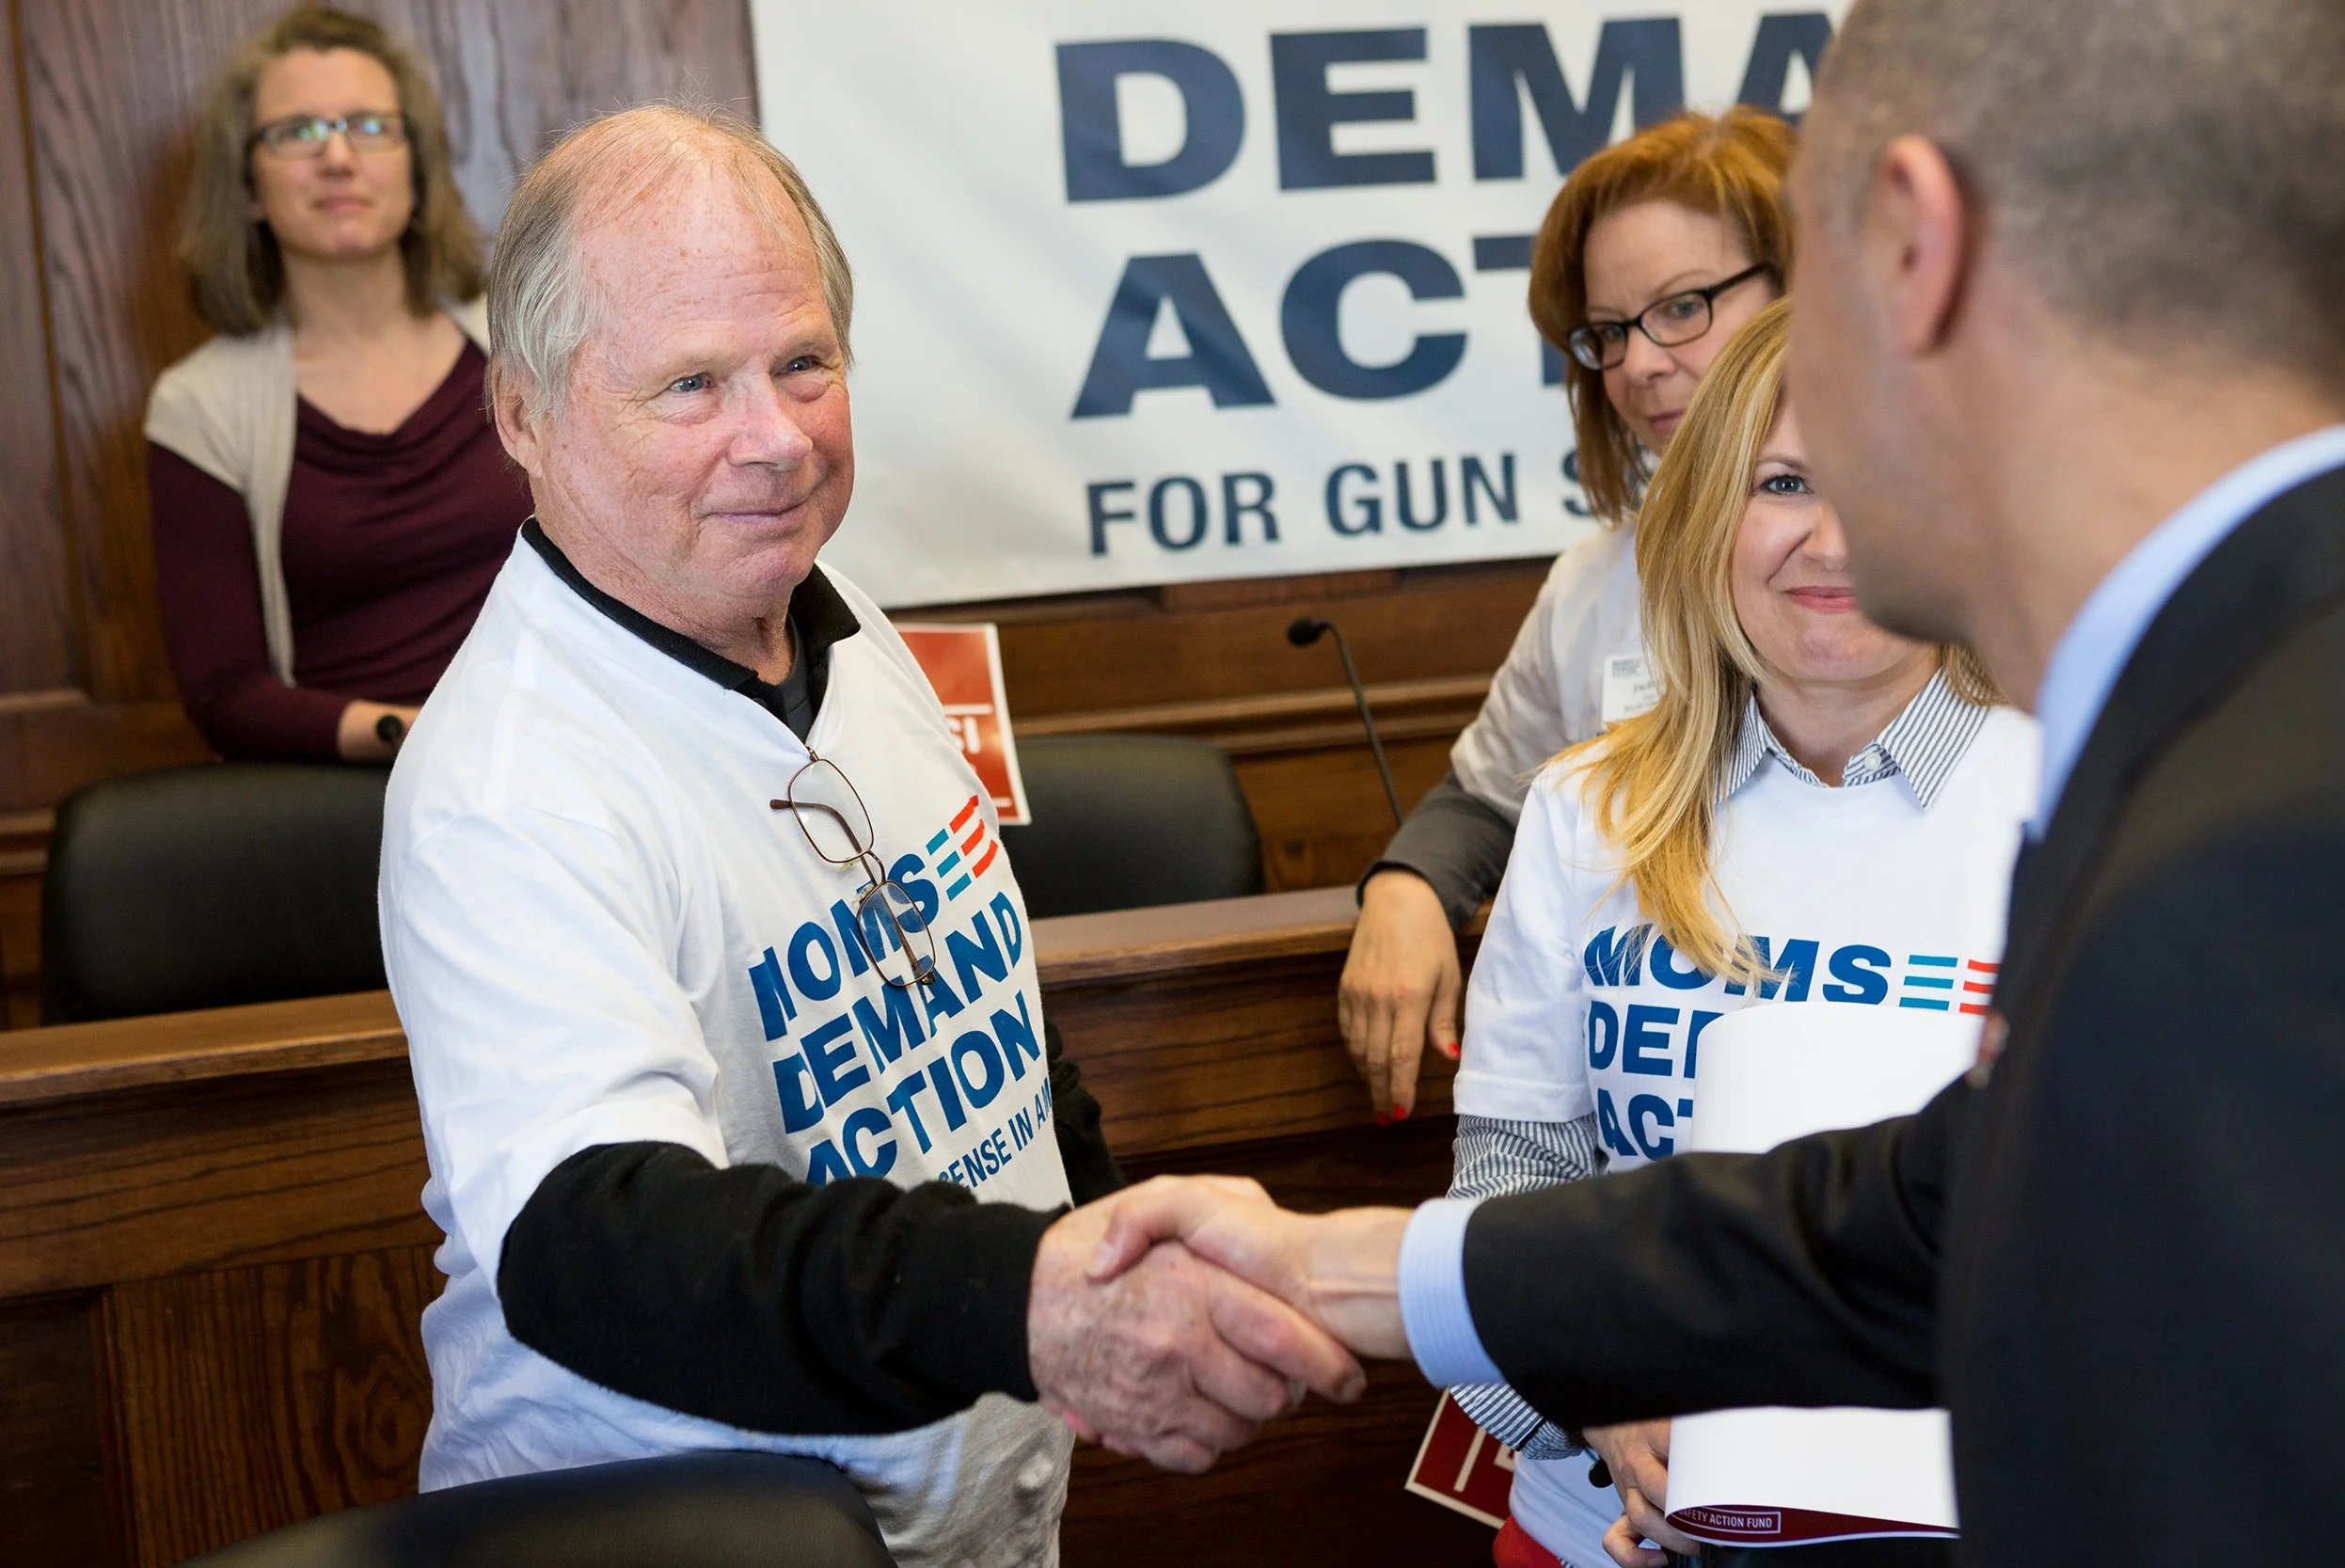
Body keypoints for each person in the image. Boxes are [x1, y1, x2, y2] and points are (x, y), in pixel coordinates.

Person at [1090, 0, 2345, 1561]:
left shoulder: (2219, 788)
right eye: (1614, 336)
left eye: (1751, 311)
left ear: (1912, 251)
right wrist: (1363, 1271)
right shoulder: (2221, 702)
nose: (1671, 373)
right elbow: (1923, 1212)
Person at [378, 105, 1363, 1568]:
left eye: (803, 362)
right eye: (691, 383)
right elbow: (600, 1239)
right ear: (525, 415)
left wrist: (1106, 1239)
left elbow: (980, 1005)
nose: (771, 439)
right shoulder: (509, 778)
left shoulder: (846, 623)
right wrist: (1027, 1299)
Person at [1446, 301, 2032, 1568]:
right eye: (1782, 483)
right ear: (1712, 507)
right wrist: (1591, 1394)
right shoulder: (1583, 809)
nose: (1833, 539)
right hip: (1618, 1530)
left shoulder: (2077, 793)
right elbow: (1505, 1184)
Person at [1341, 109, 1792, 1121]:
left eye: (1682, 307)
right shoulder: (1594, 582)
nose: (1637, 364)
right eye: (1609, 332)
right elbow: (1488, 794)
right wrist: (1407, 885)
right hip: (1637, 1101)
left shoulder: (1934, 555)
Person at [145, 5, 531, 762]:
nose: (338, 158)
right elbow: (226, 695)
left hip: (580, 758)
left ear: (416, 170)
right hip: (360, 798)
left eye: (368, 125)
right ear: (248, 188)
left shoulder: (524, 344)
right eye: (297, 133)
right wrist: (425, 739)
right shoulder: (200, 408)